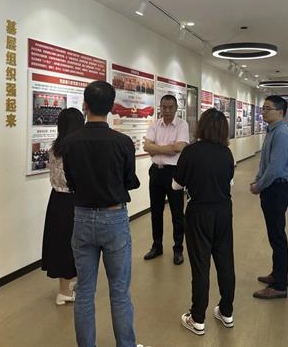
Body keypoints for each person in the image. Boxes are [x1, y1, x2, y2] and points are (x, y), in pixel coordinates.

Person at [61, 81, 142, 347]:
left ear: (85, 105)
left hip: (82, 217)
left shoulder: (70, 143)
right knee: (119, 291)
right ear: (111, 107)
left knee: (84, 291)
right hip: (114, 218)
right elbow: (130, 181)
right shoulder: (123, 142)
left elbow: (71, 182)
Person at [173, 108, 236, 336]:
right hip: (223, 211)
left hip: (199, 212)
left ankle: (197, 317)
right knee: (225, 262)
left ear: (202, 126)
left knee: (201, 265)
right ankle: (226, 312)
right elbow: (229, 183)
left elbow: (176, 185)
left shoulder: (191, 152)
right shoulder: (227, 153)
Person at [250, 95, 288, 299]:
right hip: (271, 188)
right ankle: (276, 274)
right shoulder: (272, 131)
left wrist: (258, 186)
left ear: (280, 112)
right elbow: (265, 163)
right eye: (263, 108)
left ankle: (280, 285)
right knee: (274, 235)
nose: (263, 112)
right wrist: (257, 180)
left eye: (268, 108)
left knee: (278, 237)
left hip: (276, 190)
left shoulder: (282, 134)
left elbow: (275, 168)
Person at [41, 108, 84, 305]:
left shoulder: (55, 148)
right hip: (73, 200)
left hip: (56, 200)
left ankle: (66, 286)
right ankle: (65, 292)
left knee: (60, 243)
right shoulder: (76, 149)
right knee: (72, 245)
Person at [142, 94, 190, 265]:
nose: (167, 110)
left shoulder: (182, 125)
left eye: (170, 107)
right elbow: (146, 146)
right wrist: (167, 148)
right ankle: (157, 246)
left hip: (174, 173)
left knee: (177, 213)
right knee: (156, 211)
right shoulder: (155, 124)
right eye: (164, 107)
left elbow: (179, 148)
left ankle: (178, 249)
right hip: (156, 172)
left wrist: (156, 148)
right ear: (160, 108)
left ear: (176, 108)